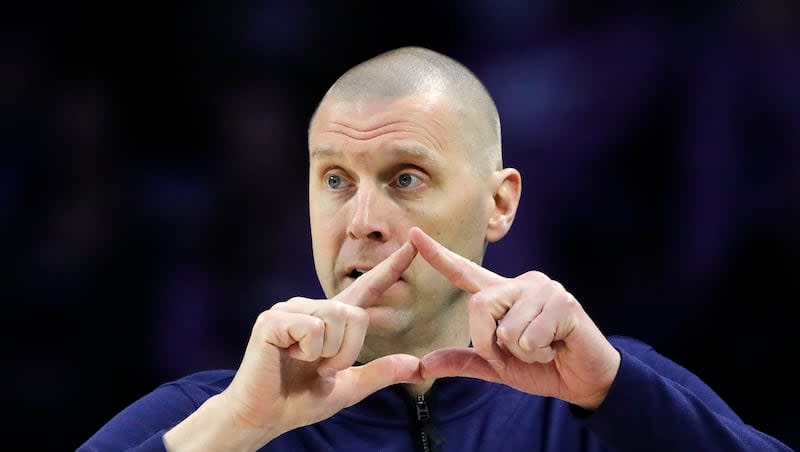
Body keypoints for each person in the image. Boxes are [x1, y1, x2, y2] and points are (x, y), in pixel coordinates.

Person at [78, 46, 793, 452]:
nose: (361, 220)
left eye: (406, 178)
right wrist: (233, 428)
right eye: (334, 179)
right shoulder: (209, 415)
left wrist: (619, 394)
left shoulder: (613, 392)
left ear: (500, 202)